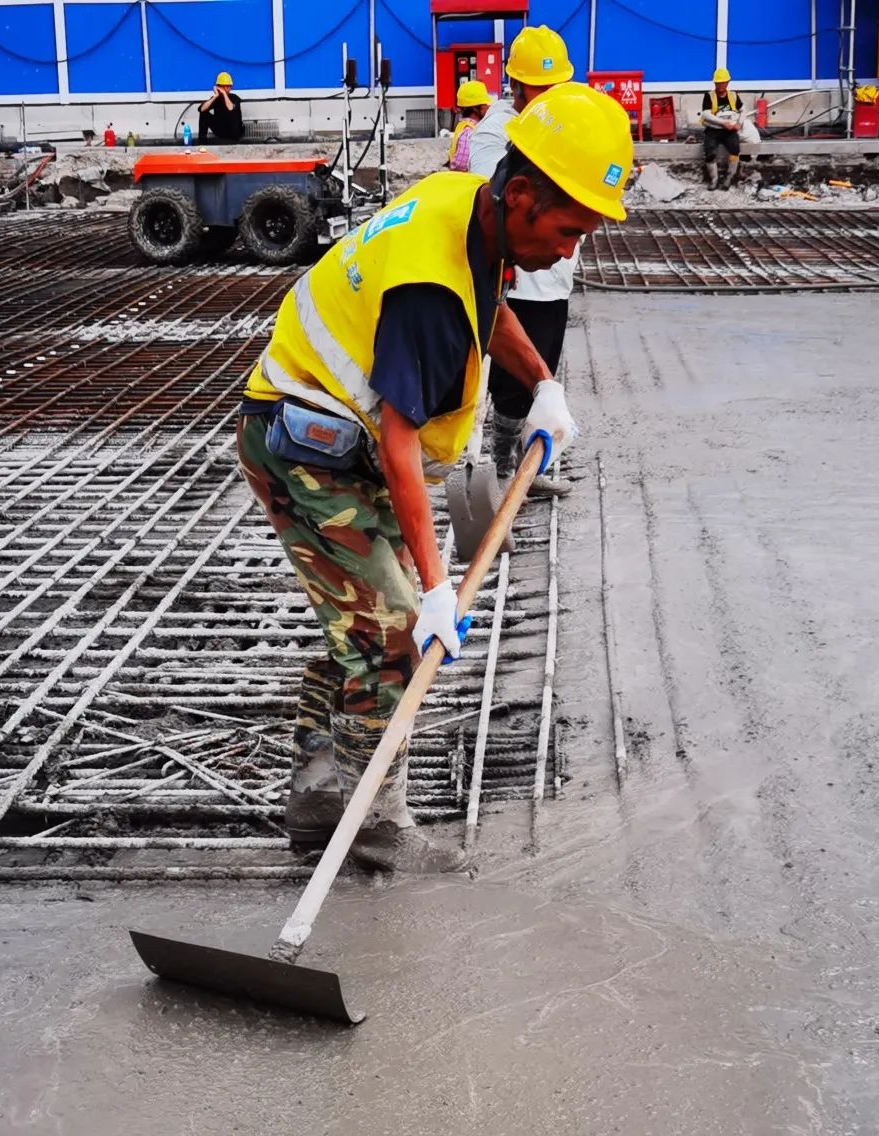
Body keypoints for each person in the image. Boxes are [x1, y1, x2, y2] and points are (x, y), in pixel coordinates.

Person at [238, 83, 633, 873]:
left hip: (334, 438)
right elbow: (399, 440)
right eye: (567, 230)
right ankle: (375, 822)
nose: (568, 253)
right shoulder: (429, 291)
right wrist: (435, 586)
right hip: (304, 447)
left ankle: (319, 796)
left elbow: (489, 306)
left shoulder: (467, 202)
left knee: (363, 628)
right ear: (520, 197)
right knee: (391, 633)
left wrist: (542, 383)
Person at [467, 26, 578, 500]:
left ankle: (524, 470)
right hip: (517, 279)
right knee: (513, 379)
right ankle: (503, 468)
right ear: (516, 86)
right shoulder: (496, 132)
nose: (550, 98)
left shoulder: (561, 125)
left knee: (543, 370)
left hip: (555, 276)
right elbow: (494, 195)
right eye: (541, 89)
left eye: (557, 89)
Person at [700, 67, 744, 190]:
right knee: (709, 150)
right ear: (714, 83)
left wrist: (739, 123)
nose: (720, 85)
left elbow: (743, 110)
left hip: (729, 130)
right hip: (713, 130)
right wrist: (724, 123)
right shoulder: (709, 96)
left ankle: (729, 178)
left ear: (727, 82)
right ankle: (714, 179)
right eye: (718, 83)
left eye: (723, 83)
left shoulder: (733, 95)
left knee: (735, 148)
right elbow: (706, 114)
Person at [447, 79, 493, 172]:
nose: (488, 107)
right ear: (475, 108)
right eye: (484, 105)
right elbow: (460, 165)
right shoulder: (469, 132)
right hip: (467, 178)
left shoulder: (464, 125)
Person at [198, 71, 243, 144]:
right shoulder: (216, 99)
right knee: (204, 113)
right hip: (221, 130)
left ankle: (233, 141)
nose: (225, 89)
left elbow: (230, 108)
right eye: (223, 87)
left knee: (233, 113)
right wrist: (215, 96)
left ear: (230, 87)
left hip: (234, 132)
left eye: (227, 86)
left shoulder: (235, 98)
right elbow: (202, 109)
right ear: (218, 87)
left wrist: (224, 93)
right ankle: (202, 143)